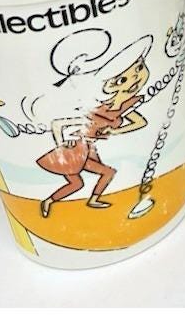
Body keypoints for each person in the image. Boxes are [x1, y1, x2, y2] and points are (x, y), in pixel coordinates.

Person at [36, 39, 151, 218]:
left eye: (139, 67)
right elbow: (57, 124)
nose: (136, 78)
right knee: (81, 182)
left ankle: (74, 200)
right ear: (110, 86)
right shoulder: (96, 110)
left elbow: (140, 122)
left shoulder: (122, 108)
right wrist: (62, 145)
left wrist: (115, 131)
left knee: (93, 178)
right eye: (122, 79)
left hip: (88, 150)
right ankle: (52, 201)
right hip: (75, 150)